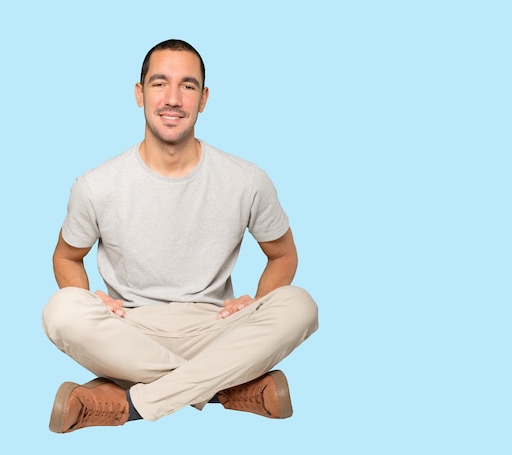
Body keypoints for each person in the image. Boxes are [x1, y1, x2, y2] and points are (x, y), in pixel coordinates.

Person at [42, 38, 319, 434]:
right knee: (61, 310)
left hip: (217, 327)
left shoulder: (247, 180)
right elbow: (66, 257)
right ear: (140, 94)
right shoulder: (96, 185)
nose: (173, 98)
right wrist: (91, 297)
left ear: (203, 98)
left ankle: (132, 403)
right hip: (130, 330)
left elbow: (284, 255)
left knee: (300, 305)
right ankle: (226, 388)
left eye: (187, 86)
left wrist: (255, 302)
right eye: (159, 83)